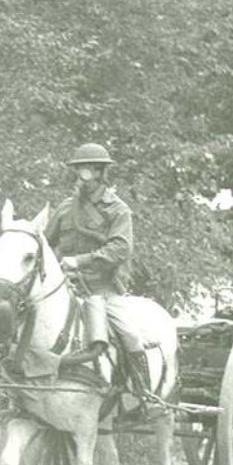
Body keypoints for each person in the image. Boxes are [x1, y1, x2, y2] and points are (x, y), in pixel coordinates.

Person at [44, 142, 151, 396]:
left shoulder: (118, 210)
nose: (82, 175)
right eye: (79, 169)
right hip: (64, 287)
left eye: (88, 170)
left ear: (101, 172)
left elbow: (120, 249)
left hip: (101, 288)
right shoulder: (66, 208)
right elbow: (46, 245)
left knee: (130, 335)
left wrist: (79, 261)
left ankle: (142, 392)